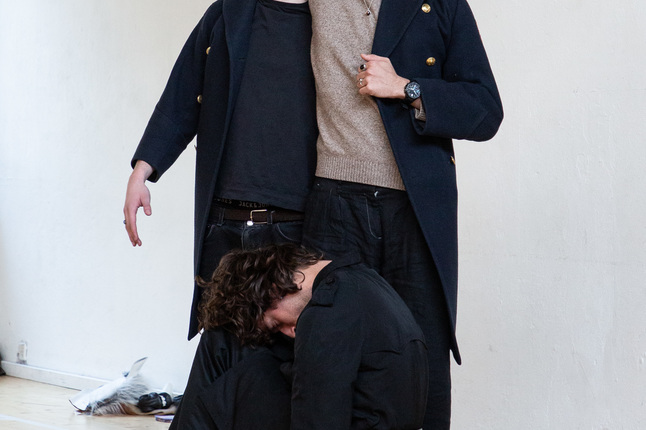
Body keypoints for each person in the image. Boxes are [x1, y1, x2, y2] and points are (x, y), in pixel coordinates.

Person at [301, 0, 504, 427]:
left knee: (420, 357)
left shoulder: (441, 4)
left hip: (416, 206)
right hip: (333, 202)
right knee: (328, 365)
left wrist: (407, 88)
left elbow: (486, 111)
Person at [123, 0, 318, 341]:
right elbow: (181, 99)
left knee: (285, 355)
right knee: (218, 350)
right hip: (223, 224)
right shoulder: (227, 13)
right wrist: (140, 173)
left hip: (294, 229)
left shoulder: (330, 22)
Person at [170, 243, 429, 430]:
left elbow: (320, 420)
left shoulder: (325, 314)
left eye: (276, 324)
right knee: (224, 341)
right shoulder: (362, 279)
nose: (291, 331)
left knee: (228, 348)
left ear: (274, 289)